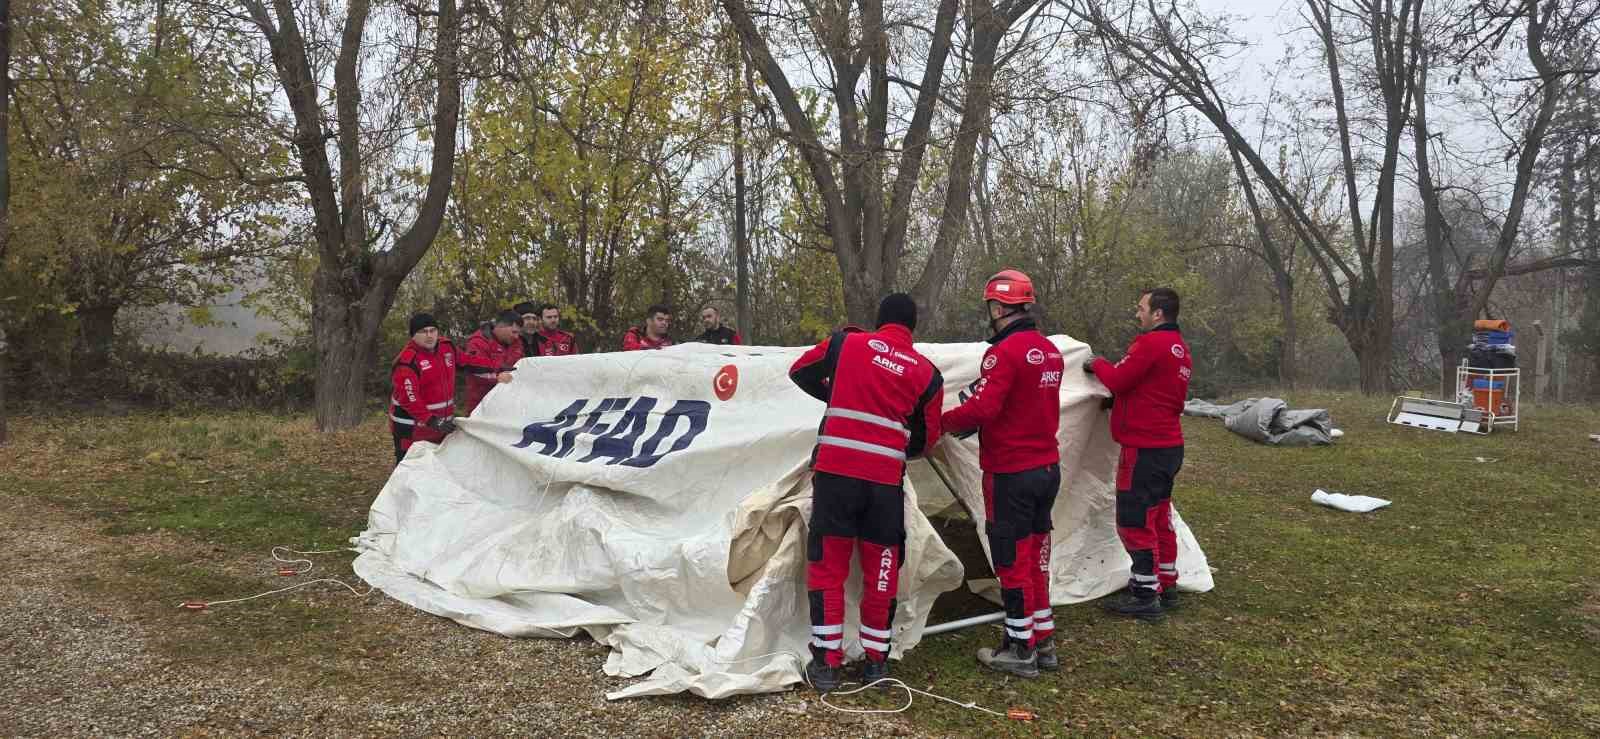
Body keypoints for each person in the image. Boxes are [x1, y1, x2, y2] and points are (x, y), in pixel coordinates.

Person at [788, 293, 944, 691]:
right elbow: (927, 439)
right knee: (882, 571)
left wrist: (836, 393)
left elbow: (800, 370)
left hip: (836, 476)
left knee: (828, 567)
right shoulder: (927, 374)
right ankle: (876, 663)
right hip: (883, 485)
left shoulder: (846, 343)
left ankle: (826, 664)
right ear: (913, 327)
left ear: (878, 320)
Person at [940, 270, 1064, 678]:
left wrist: (943, 421)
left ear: (997, 307)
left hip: (1011, 472)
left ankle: (1019, 650)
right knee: (1035, 558)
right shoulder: (1049, 351)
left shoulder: (1002, 354)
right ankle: (1043, 641)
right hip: (1047, 468)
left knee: (1011, 560)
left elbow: (985, 408)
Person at [1083, 287, 1192, 620]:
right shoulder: (1180, 349)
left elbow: (1118, 379)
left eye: (1141, 308)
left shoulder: (1150, 344)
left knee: (1134, 519)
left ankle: (1145, 594)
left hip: (1144, 448)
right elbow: (1149, 390)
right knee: (1159, 517)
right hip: (1169, 446)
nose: (1137, 313)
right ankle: (1166, 583)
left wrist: (1095, 363)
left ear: (1158, 313)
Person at [390, 312, 510, 465]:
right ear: (413, 335)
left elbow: (467, 361)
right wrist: (432, 421)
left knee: (435, 467)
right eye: (423, 332)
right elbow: (409, 398)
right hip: (410, 428)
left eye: (432, 330)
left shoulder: (446, 347)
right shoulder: (407, 361)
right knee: (409, 467)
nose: (429, 335)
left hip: (438, 425)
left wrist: (497, 367)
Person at [463, 310, 524, 415]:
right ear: (500, 327)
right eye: (514, 332)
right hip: (481, 405)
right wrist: (496, 377)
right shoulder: (478, 342)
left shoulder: (516, 343)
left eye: (518, 332)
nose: (516, 336)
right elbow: (474, 370)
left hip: (508, 403)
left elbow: (520, 365)